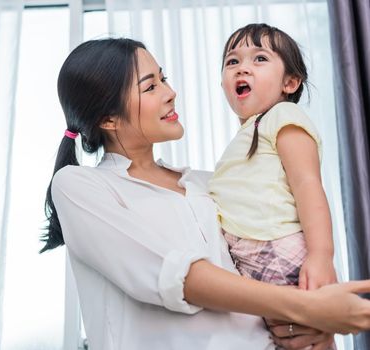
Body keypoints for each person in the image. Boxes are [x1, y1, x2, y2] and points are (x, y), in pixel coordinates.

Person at [40, 37, 370, 350]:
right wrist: (308, 307)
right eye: (151, 86)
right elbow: (178, 277)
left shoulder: (208, 184)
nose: (171, 93)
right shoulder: (79, 187)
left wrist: (309, 330)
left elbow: (267, 260)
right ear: (108, 119)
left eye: (163, 79)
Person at [208, 23, 336, 347]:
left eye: (259, 58)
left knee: (310, 339)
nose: (243, 68)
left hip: (278, 251)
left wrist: (321, 255)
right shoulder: (243, 139)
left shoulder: (282, 116)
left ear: (290, 82)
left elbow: (308, 184)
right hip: (252, 264)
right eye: (232, 61)